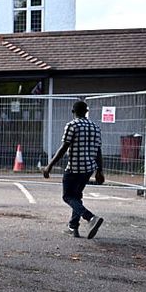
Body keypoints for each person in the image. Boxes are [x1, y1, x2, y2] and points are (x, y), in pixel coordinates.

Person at [42, 100, 104, 239]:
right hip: (88, 168)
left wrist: (49, 166)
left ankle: (90, 218)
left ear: (73, 112)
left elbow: (64, 147)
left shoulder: (72, 125)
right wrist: (100, 170)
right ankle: (73, 227)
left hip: (74, 167)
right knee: (77, 196)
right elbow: (98, 150)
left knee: (67, 196)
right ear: (86, 111)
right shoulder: (95, 127)